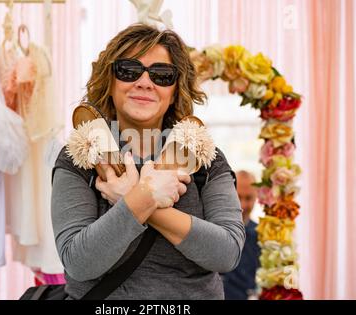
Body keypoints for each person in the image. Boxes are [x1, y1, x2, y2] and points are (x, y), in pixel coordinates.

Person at [51, 24, 245, 300]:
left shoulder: (204, 158)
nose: (144, 82)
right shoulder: (80, 156)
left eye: (162, 75)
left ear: (176, 89)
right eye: (129, 70)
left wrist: (135, 199)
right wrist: (145, 197)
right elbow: (79, 262)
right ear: (110, 80)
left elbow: (226, 253)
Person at [222, 170, 261, 300]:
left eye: (248, 198)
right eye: (238, 197)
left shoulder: (262, 235)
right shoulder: (213, 228)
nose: (243, 205)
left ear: (257, 197)